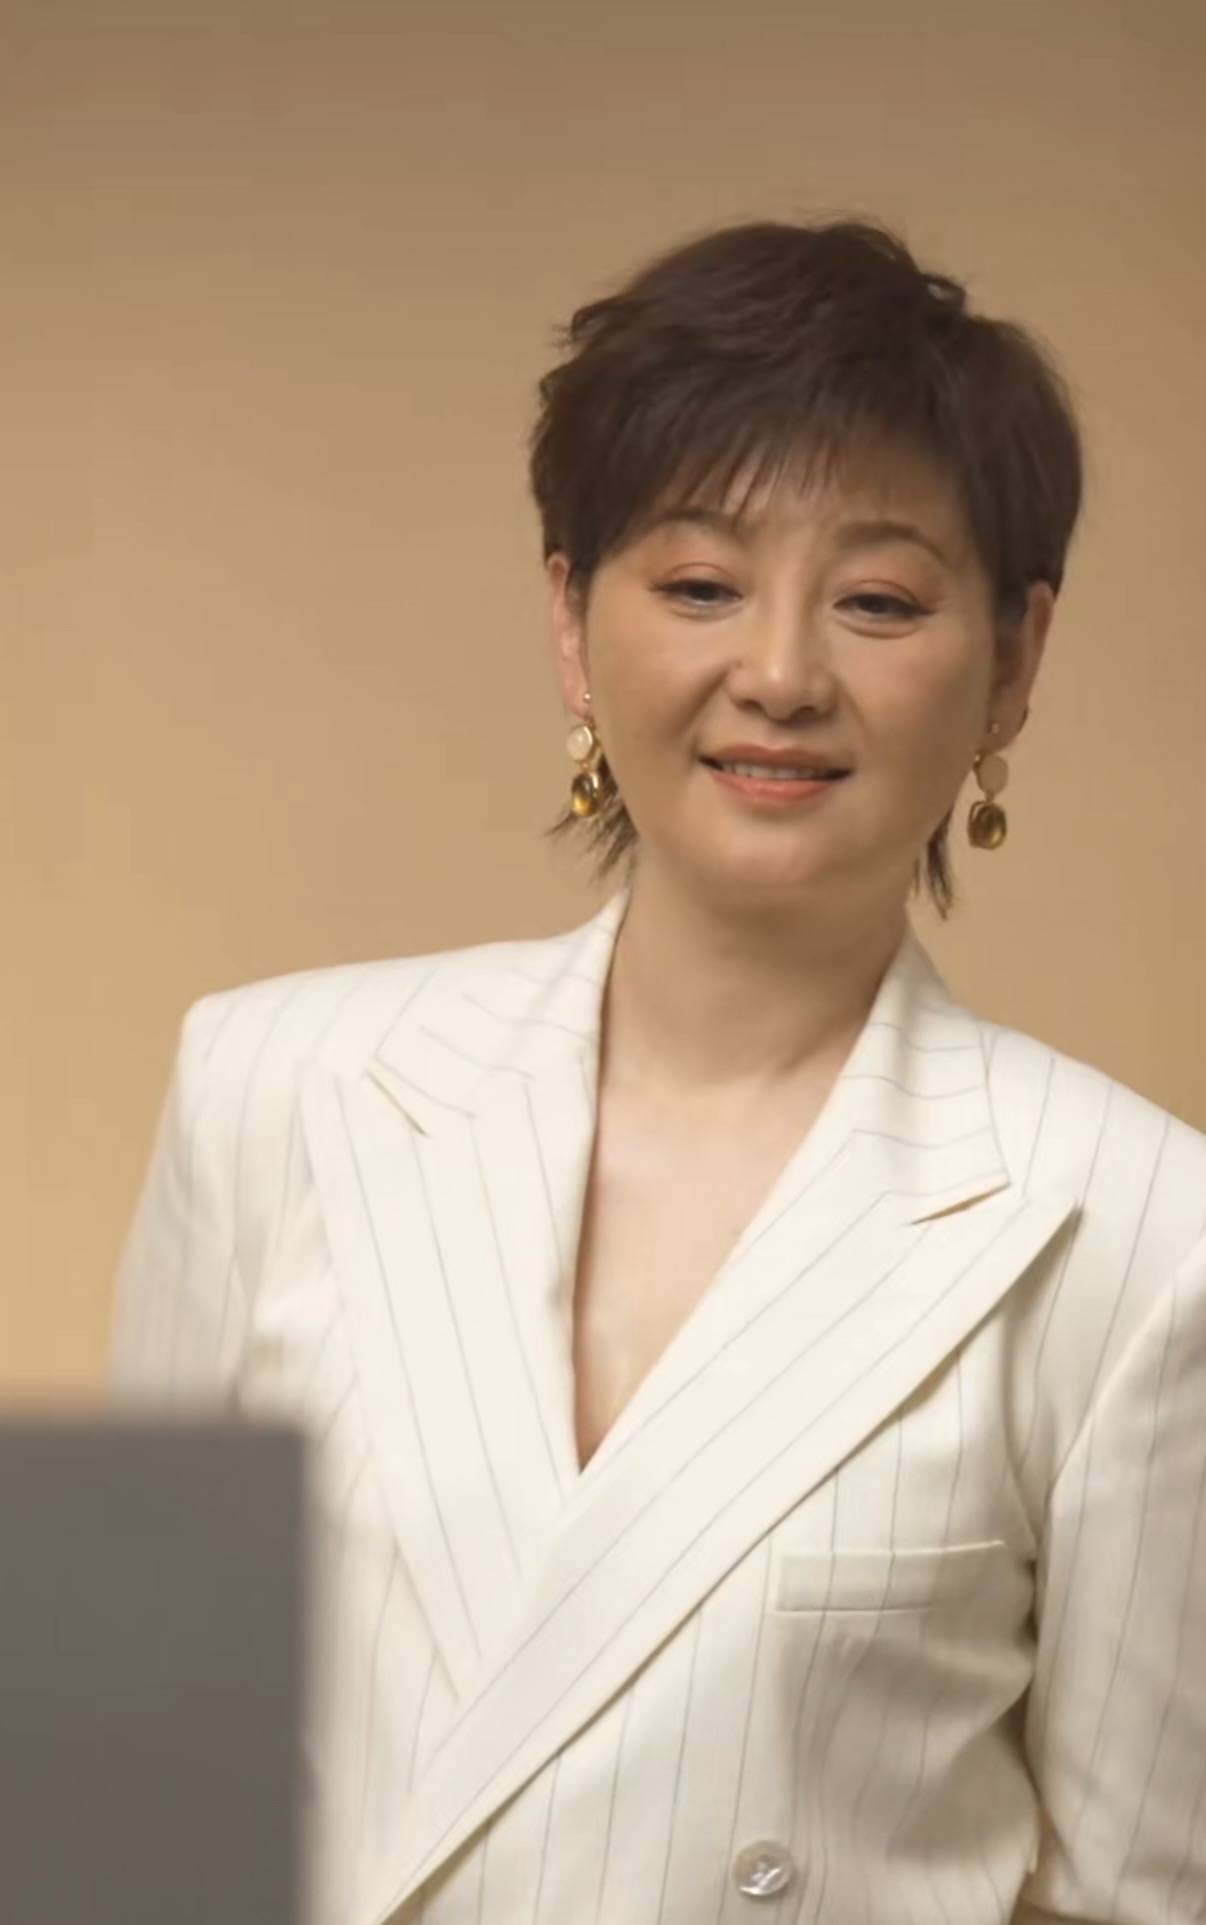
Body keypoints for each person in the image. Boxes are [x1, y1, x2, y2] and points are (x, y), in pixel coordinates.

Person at [108, 216, 1206, 1925]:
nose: (777, 675)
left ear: (1011, 662)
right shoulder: (271, 1087)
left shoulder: (1139, 1229)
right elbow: (133, 1787)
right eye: (698, 584)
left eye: (877, 600)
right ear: (570, 619)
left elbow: (1139, 1893)